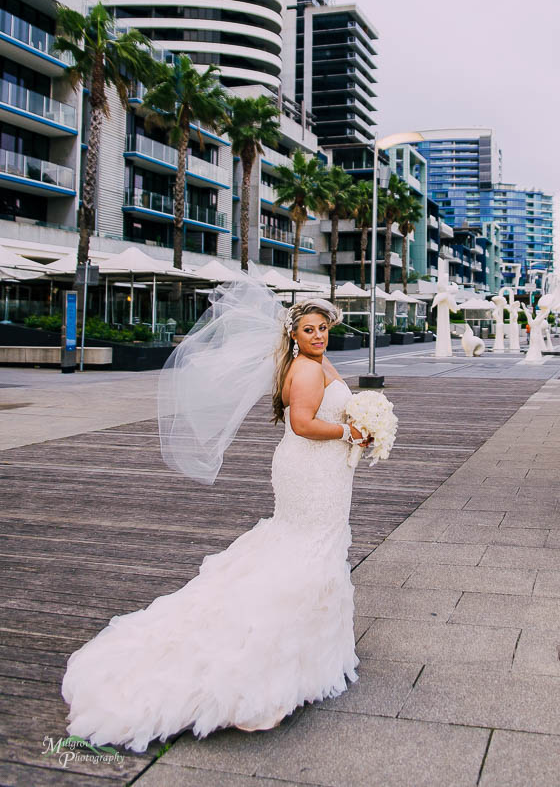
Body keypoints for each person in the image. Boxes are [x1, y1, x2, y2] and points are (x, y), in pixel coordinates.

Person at [60, 285, 370, 753]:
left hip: (320, 472)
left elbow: (337, 389)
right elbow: (304, 423)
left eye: (324, 328)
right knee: (305, 548)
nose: (319, 335)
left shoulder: (312, 361)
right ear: (295, 335)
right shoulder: (304, 371)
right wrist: (351, 429)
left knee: (308, 544)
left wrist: (365, 418)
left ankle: (307, 656)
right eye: (310, 329)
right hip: (310, 470)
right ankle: (267, 668)